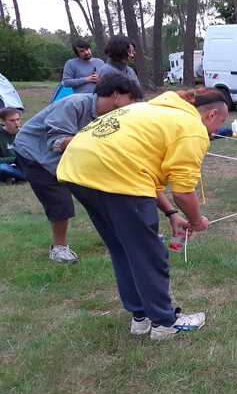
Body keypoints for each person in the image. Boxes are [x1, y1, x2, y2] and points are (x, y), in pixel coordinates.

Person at [57, 89, 229, 340]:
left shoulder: (156, 110)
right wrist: (196, 221)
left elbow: (147, 174)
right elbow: (183, 192)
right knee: (149, 252)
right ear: (211, 114)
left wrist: (171, 213)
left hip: (77, 168)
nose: (215, 131)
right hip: (113, 174)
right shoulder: (191, 127)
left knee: (123, 248)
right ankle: (164, 323)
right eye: (219, 123)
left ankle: (141, 317)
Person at [13, 74, 142, 264]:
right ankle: (59, 248)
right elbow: (56, 142)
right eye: (131, 98)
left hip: (69, 153)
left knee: (100, 193)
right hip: (34, 153)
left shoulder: (112, 116)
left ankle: (120, 237)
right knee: (59, 198)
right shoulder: (73, 104)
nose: (132, 104)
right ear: (115, 95)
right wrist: (98, 143)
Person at [0, 107, 25, 183]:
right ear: (3, 121)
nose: (16, 123)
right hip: (7, 166)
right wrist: (15, 159)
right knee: (2, 168)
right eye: (12, 120)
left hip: (23, 166)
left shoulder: (24, 133)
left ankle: (12, 177)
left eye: (18, 119)